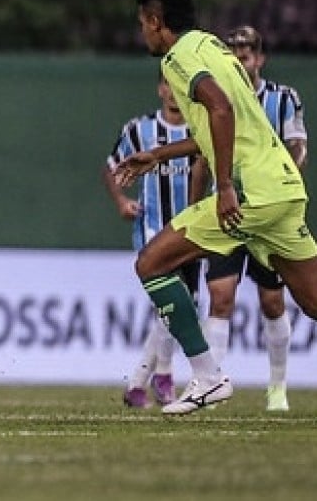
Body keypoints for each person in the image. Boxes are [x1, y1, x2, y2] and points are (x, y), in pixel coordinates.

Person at [112, 0, 317, 426]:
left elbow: (222, 110)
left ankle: (207, 375)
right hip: (283, 188)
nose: (142, 34)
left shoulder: (179, 58)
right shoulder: (211, 46)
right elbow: (222, 122)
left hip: (250, 192)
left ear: (156, 22)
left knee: (151, 262)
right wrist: (158, 153)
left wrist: (224, 185)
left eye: (142, 25)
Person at [198, 25, 308, 412]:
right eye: (232, 55)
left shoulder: (282, 99)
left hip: (268, 209)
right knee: (220, 296)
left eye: (244, 55)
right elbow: (202, 154)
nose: (239, 61)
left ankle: (277, 388)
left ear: (259, 59)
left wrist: (281, 183)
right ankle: (210, 386)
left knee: (272, 301)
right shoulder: (214, 97)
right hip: (227, 208)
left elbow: (298, 147)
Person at [103, 76, 201, 408]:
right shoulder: (139, 130)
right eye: (168, 87)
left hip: (194, 229)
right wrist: (121, 202)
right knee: (171, 302)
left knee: (181, 304)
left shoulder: (200, 129)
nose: (173, 95)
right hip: (153, 228)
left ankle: (145, 381)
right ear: (160, 89)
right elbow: (111, 167)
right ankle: (157, 376)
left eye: (180, 88)